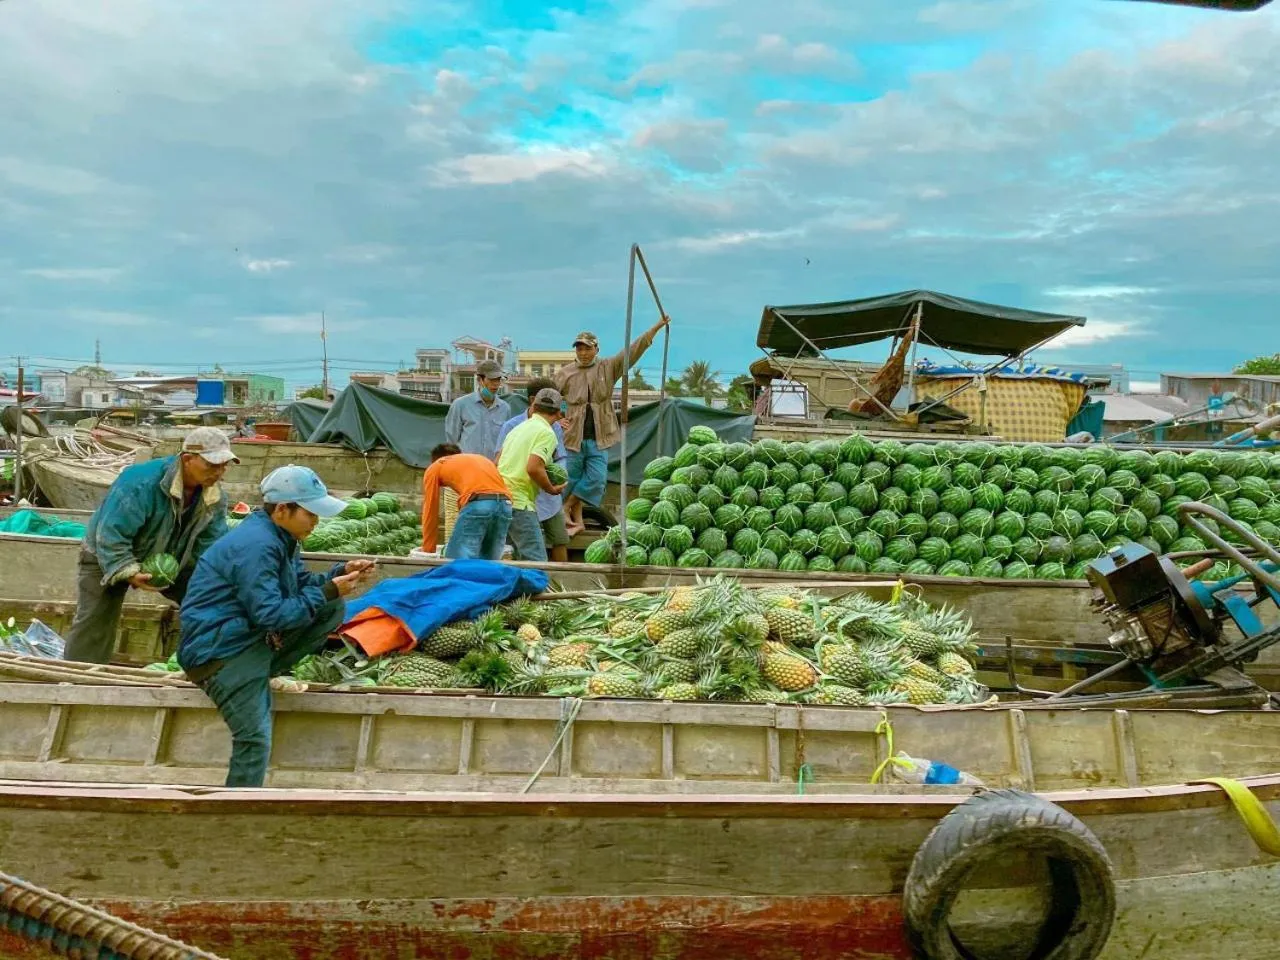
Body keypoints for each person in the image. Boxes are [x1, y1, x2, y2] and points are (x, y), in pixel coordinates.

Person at [178, 465, 376, 788]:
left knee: (331, 607)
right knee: (254, 740)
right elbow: (272, 615)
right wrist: (326, 590)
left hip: (244, 637)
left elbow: (301, 585)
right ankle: (236, 813)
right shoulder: (257, 546)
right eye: (311, 514)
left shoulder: (283, 537)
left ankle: (263, 673)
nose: (315, 521)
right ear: (283, 509)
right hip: (219, 651)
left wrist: (339, 573)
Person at [64, 427, 237, 664]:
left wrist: (211, 582)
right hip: (107, 552)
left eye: (224, 466)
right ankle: (78, 680)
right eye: (212, 465)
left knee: (208, 601)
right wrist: (127, 569)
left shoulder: (214, 498)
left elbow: (210, 544)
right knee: (95, 619)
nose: (219, 473)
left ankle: (206, 665)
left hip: (171, 556)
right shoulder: (141, 482)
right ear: (187, 459)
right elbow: (111, 533)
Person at [554, 319, 668, 535]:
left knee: (596, 479)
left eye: (587, 348)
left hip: (600, 435)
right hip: (572, 436)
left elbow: (633, 351)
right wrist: (557, 418)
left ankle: (565, 507)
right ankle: (574, 521)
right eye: (579, 348)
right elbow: (548, 397)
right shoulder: (564, 373)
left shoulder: (608, 366)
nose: (583, 352)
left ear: (596, 349)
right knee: (571, 479)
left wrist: (655, 328)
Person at [495, 377, 570, 563]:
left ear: (534, 407)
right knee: (536, 561)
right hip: (519, 502)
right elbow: (534, 467)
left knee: (515, 557)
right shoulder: (546, 432)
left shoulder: (517, 429)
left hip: (500, 498)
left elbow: (496, 462)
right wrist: (551, 489)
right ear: (559, 413)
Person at [420, 443, 512, 560]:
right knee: (489, 563)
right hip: (506, 505)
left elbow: (430, 511)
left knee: (457, 561)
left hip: (480, 503)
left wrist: (428, 551)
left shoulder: (436, 465)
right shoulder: (479, 459)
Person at [444, 358, 510, 456]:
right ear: (479, 380)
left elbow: (505, 442)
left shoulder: (505, 408)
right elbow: (451, 441)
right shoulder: (460, 405)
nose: (496, 384)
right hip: (467, 466)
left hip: (491, 467)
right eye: (491, 379)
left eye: (498, 379)